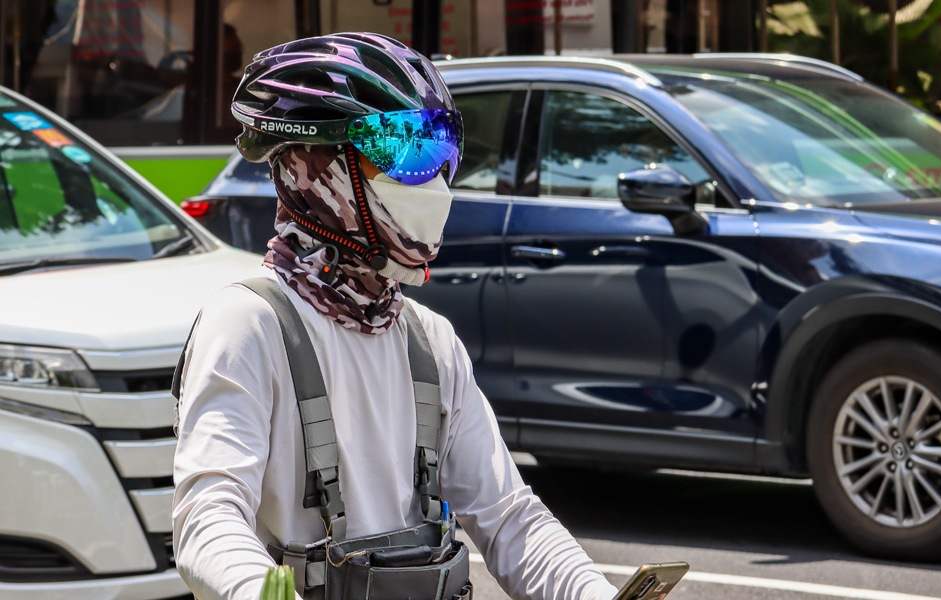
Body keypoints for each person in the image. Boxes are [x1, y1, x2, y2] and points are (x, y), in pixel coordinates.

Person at [171, 32, 620, 600]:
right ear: (316, 169)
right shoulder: (248, 325)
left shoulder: (429, 340)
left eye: (439, 151)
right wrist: (254, 588)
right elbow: (206, 518)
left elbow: (510, 520)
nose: (430, 182)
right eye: (402, 153)